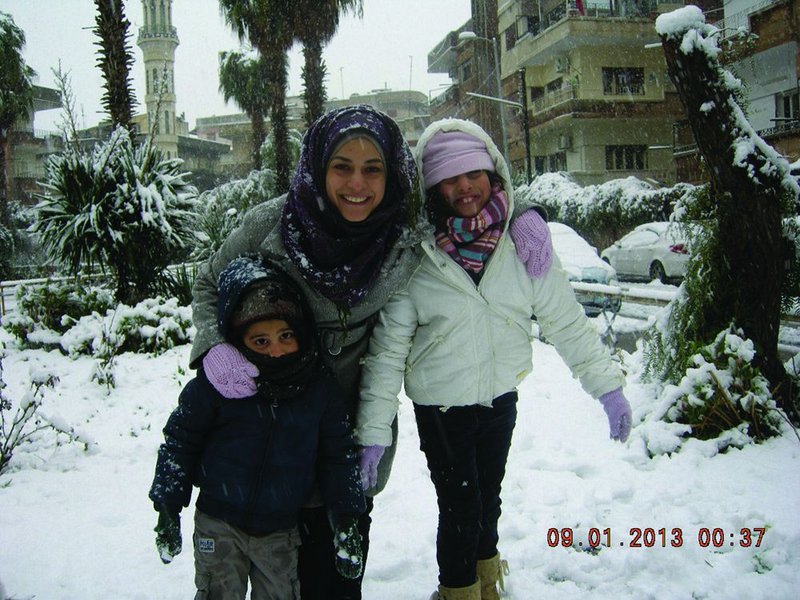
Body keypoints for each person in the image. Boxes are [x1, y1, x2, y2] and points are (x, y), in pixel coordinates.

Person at [354, 118, 632, 600]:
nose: (464, 188)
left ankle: (486, 581)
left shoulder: (524, 243)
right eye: (450, 179)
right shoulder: (416, 257)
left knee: (488, 497)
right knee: (460, 505)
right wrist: (373, 433)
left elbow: (564, 320)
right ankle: (458, 591)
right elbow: (386, 354)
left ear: (493, 173)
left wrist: (606, 386)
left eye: (473, 174)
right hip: (441, 407)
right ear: (433, 187)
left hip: (500, 395)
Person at [188, 105, 430, 599]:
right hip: (269, 443)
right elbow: (209, 282)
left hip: (349, 450)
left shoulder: (406, 233)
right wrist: (214, 347)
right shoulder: (275, 223)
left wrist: (522, 220)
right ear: (319, 167)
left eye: (372, 168)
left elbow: (474, 199)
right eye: (342, 166)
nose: (356, 183)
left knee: (335, 583)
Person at [149, 256, 365, 599]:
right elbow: (180, 442)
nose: (276, 350)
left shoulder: (318, 390)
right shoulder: (220, 384)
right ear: (239, 340)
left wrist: (347, 518)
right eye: (260, 341)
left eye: (286, 335)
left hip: (279, 530)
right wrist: (168, 505)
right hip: (218, 523)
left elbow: (337, 457)